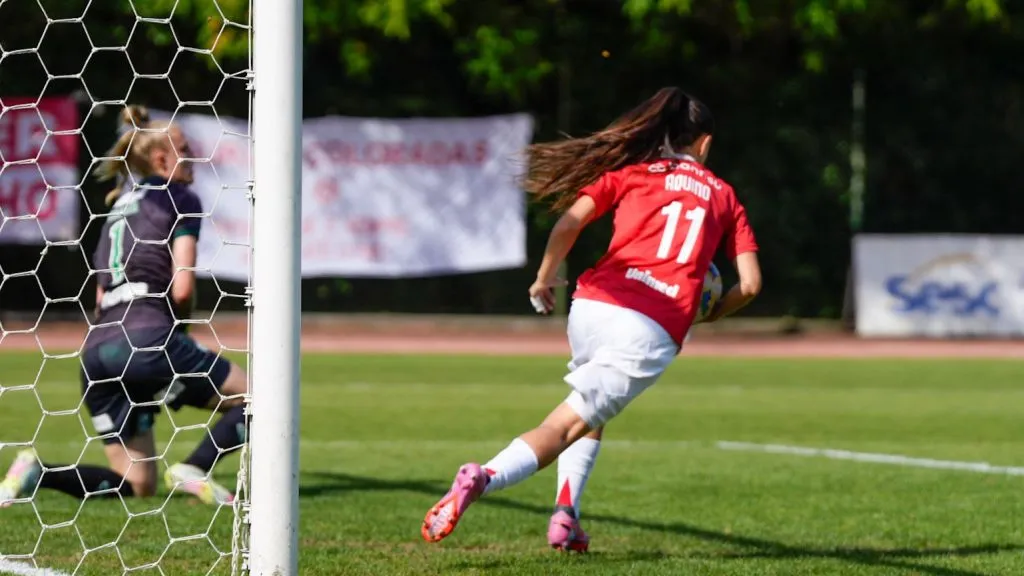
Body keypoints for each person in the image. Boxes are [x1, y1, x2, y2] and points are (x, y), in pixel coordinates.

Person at [420, 87, 762, 550]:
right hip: (648, 327)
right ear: (703, 143)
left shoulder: (633, 173)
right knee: (561, 426)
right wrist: (705, 314)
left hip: (592, 306)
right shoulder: (725, 197)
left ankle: (567, 515)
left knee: (589, 409)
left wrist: (543, 279)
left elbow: (568, 224)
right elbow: (751, 284)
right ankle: (483, 477)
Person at [0, 105, 249, 507]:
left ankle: (38, 472)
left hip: (97, 355)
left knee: (135, 483)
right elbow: (182, 287)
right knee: (259, 399)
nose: (194, 160)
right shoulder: (179, 197)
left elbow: (100, 299)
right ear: (160, 159)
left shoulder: (115, 212)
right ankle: (197, 467)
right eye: (186, 151)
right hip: (149, 336)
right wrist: (174, 337)